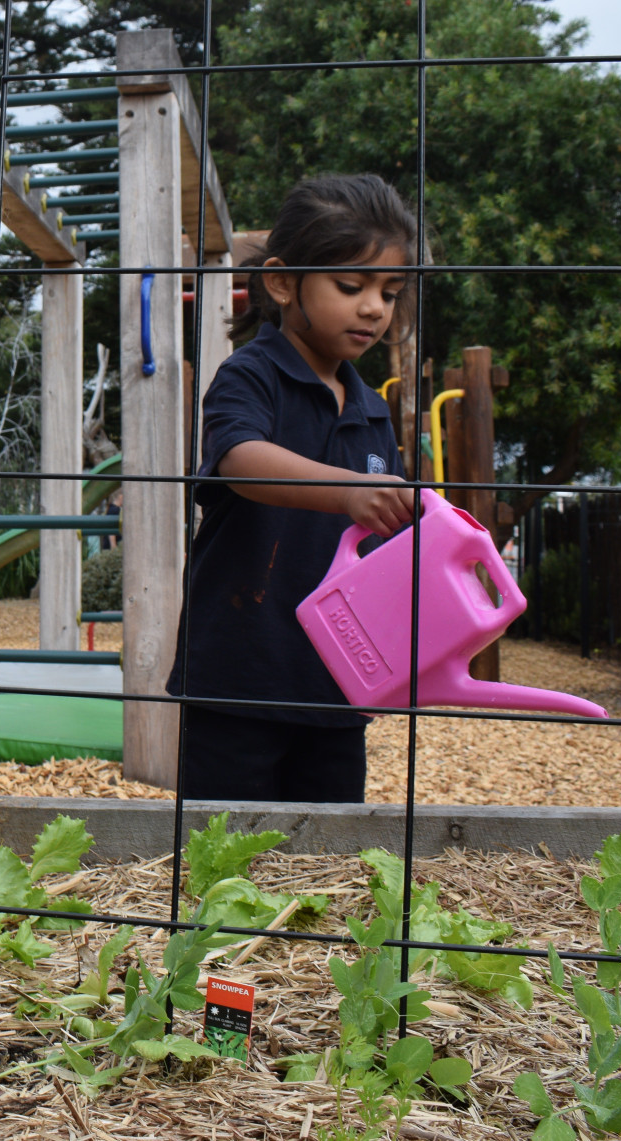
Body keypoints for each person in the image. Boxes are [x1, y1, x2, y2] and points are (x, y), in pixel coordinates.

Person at [166, 173, 419, 804]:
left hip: (338, 679)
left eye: (389, 292)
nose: (374, 309)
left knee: (329, 855)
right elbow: (241, 461)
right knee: (223, 854)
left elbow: (384, 543)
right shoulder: (250, 375)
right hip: (239, 674)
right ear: (281, 283)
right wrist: (351, 492)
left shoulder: (371, 409)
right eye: (351, 285)